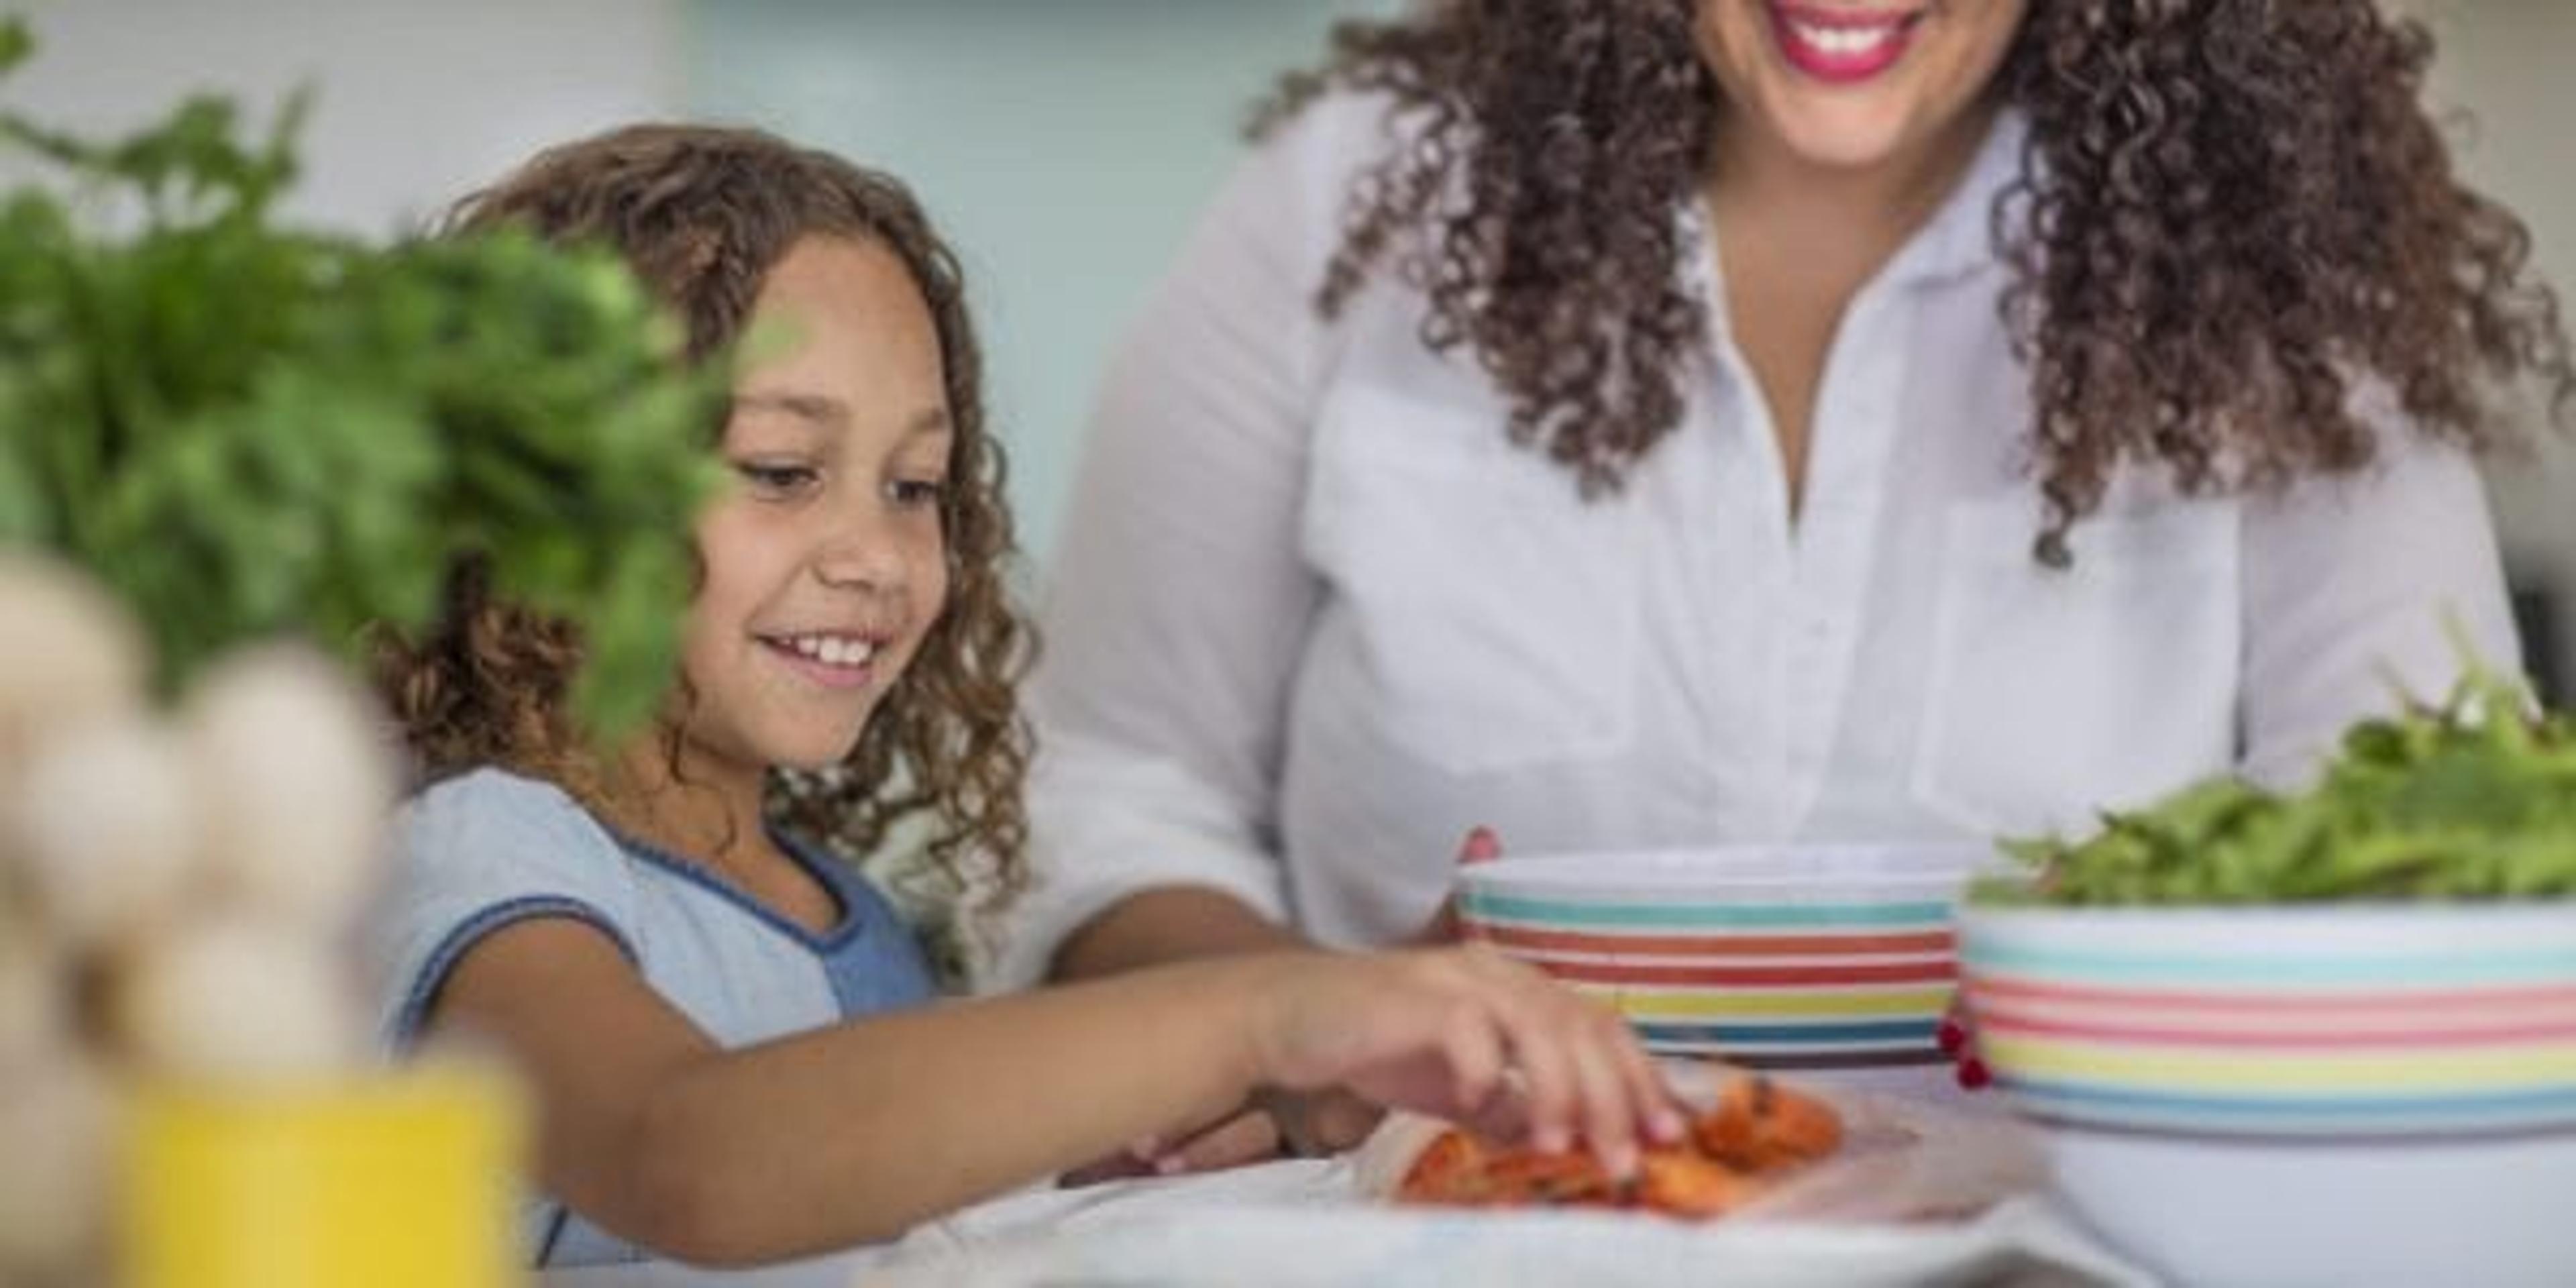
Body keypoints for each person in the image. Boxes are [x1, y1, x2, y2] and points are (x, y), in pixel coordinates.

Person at [1006, 0, 2576, 1169]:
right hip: (1433, 1237)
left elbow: (2423, 830)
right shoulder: (1357, 202)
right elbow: (1117, 783)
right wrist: (1295, 1028)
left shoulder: (2278, 262)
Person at [366, 123, 1679, 1277]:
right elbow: (688, 1155)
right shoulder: (483, 856)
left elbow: (878, 1199)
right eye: (780, 469)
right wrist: (1268, 1007)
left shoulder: (848, 921)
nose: (875, 555)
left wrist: (1281, 1087)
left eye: (915, 485)